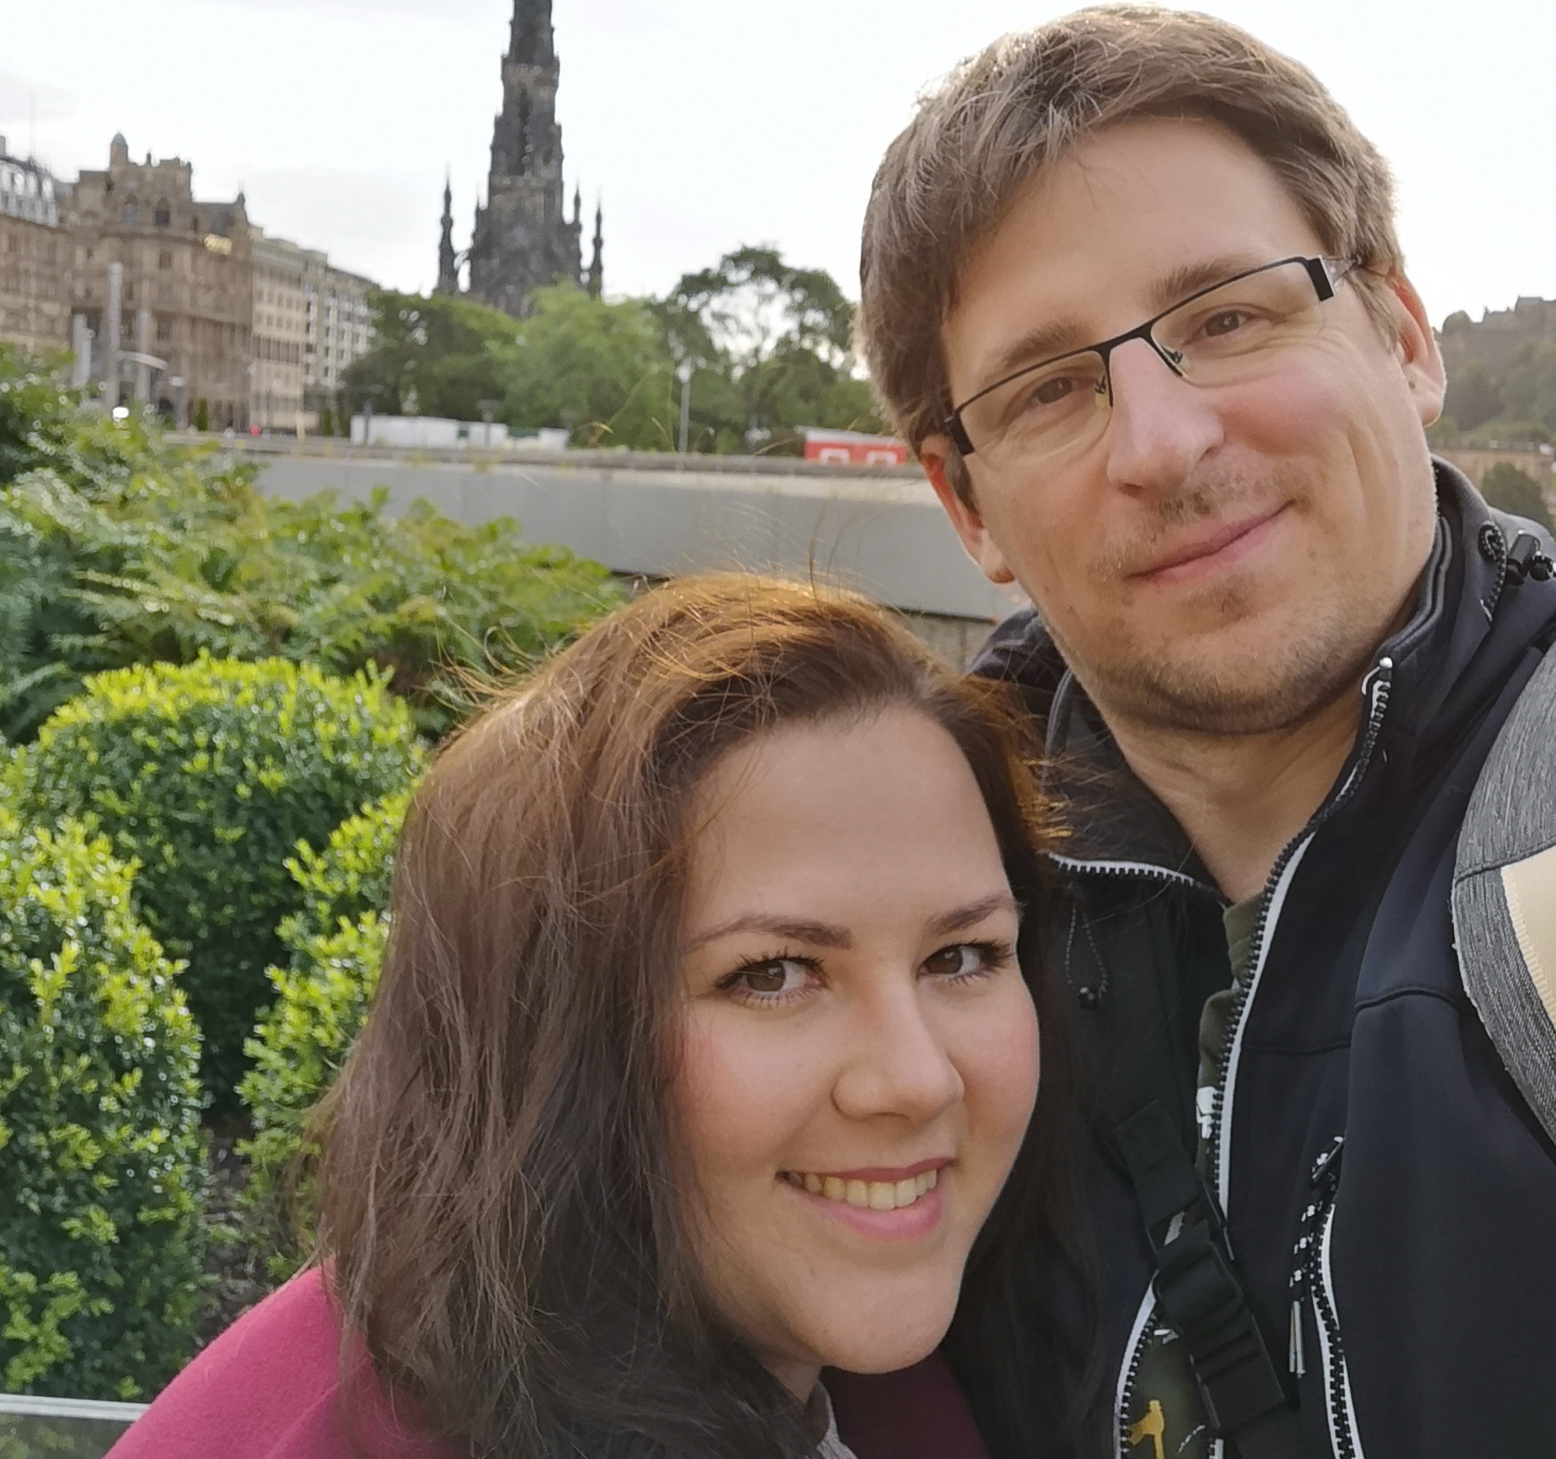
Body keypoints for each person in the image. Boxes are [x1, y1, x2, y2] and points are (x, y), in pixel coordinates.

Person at [856, 4, 1556, 1458]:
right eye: (1046, 388)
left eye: (1228, 316)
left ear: (1402, 338)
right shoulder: (915, 958)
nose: (1161, 442)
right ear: (966, 505)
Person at [111, 575, 1089, 1459]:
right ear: (548, 1028)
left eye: (963, 955)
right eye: (773, 973)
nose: (917, 1078)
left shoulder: (864, 1367)